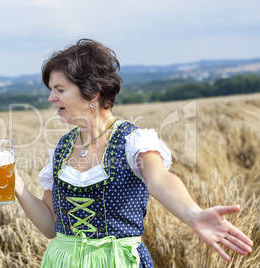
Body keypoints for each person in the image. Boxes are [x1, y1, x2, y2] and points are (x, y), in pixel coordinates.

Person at [14, 39, 253, 268]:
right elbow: (51, 227)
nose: (51, 98)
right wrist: (15, 184)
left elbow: (159, 180)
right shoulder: (61, 150)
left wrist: (193, 214)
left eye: (60, 89)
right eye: (51, 89)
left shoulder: (133, 141)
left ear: (93, 91)